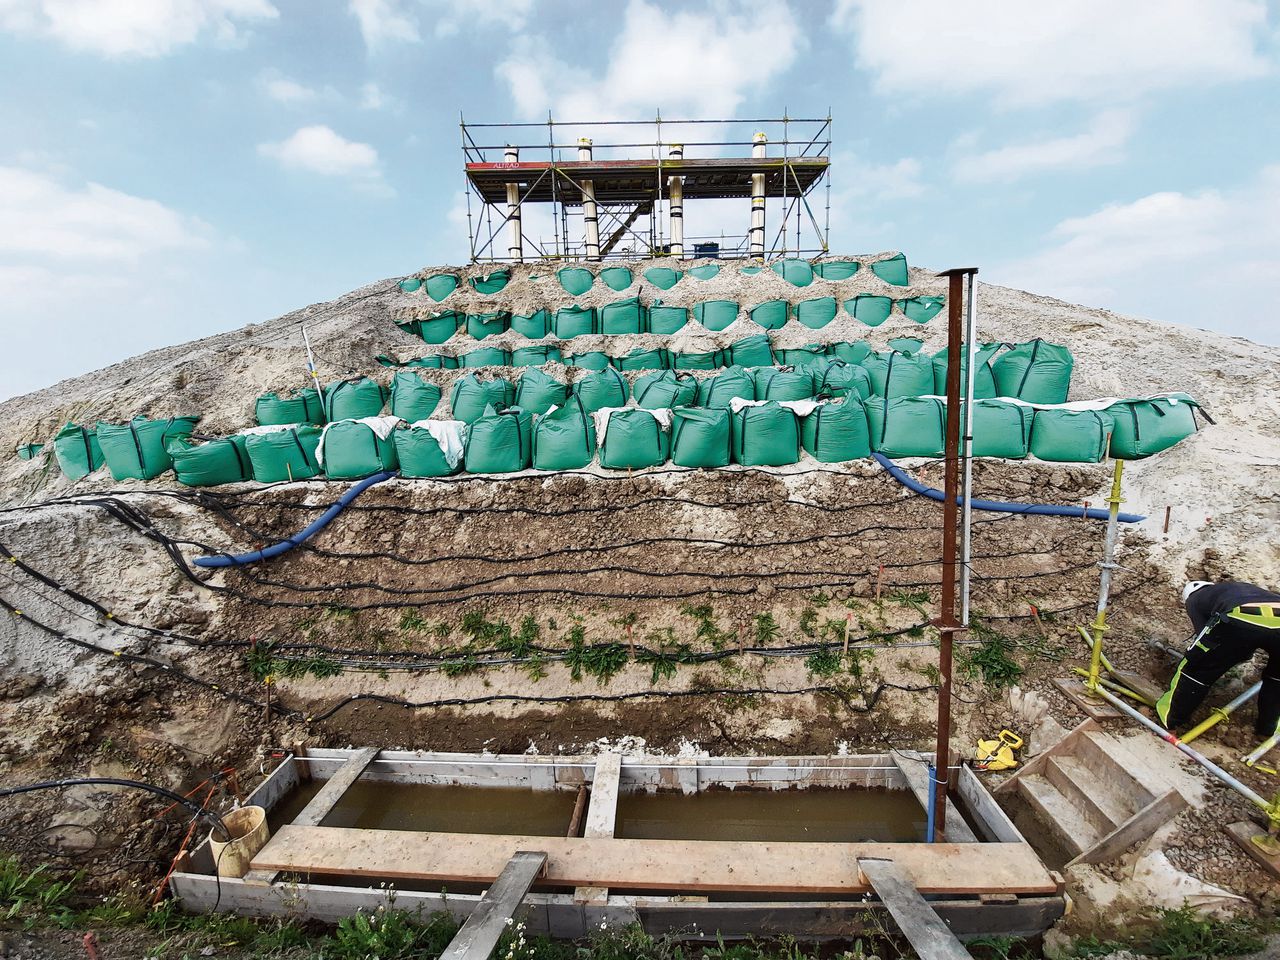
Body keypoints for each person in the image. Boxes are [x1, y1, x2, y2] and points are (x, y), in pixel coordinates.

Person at [1157, 581, 1280, 736]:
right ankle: (1269, 730)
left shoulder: (1194, 600)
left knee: (1196, 669)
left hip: (1240, 616)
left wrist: (1221, 656)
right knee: (1277, 679)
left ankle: (1169, 721)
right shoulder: (1233, 589)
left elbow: (1205, 638)